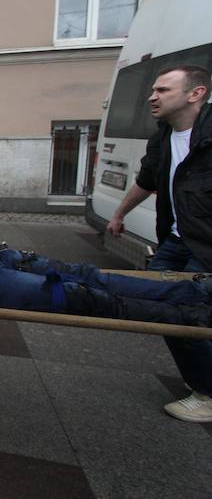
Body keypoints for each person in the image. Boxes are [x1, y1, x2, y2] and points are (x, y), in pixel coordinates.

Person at [106, 65, 212, 422]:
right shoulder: (164, 136)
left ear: (195, 94)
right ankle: (202, 380)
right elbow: (147, 180)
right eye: (154, 89)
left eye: (163, 90)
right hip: (177, 239)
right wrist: (119, 214)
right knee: (156, 306)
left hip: (207, 246)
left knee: (186, 315)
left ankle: (208, 393)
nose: (152, 96)